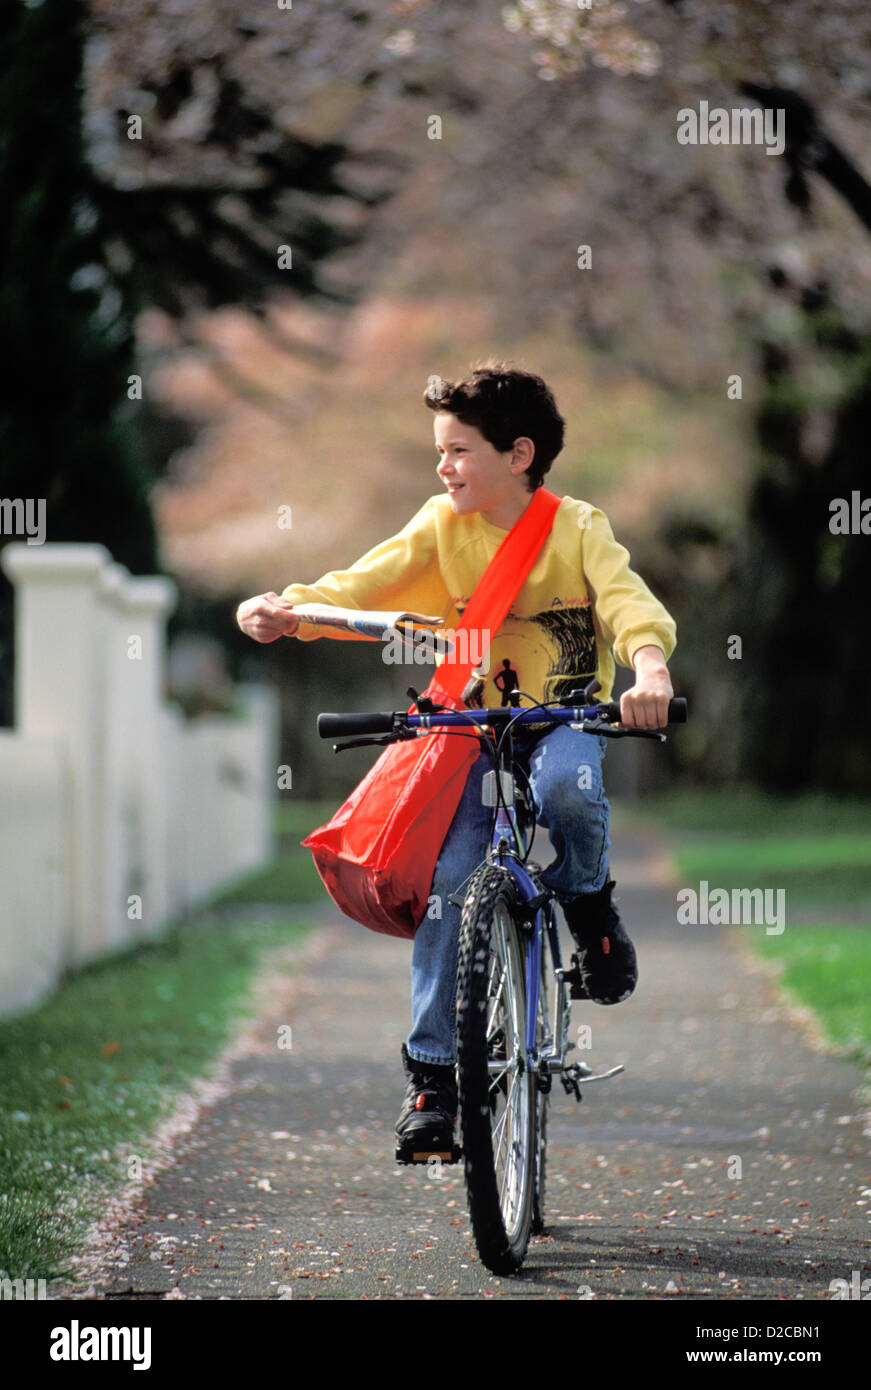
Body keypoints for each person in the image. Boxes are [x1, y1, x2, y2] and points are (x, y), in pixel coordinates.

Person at [236, 363, 676, 1164]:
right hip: (472, 727)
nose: (442, 468)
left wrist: (648, 672)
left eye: (457, 451)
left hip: (563, 717)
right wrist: (288, 611)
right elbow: (364, 585)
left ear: (518, 454)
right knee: (450, 887)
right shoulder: (440, 526)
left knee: (567, 790)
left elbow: (627, 605)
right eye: (438, 451)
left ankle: (588, 905)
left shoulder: (576, 527)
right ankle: (433, 1079)